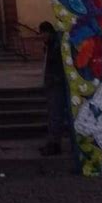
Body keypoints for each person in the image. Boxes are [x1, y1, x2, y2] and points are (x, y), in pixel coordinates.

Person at [39, 20, 67, 155]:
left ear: (48, 32)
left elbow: (57, 65)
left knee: (55, 114)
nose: (41, 37)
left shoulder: (55, 46)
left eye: (43, 34)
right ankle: (52, 142)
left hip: (55, 83)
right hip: (51, 83)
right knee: (53, 114)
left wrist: (54, 79)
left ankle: (54, 144)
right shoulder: (50, 45)